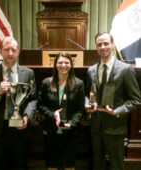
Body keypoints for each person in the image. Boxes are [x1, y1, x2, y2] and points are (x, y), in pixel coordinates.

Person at [85, 32, 141, 170]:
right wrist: (87, 103)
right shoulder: (91, 70)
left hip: (115, 127)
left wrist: (117, 111)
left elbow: (136, 100)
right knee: (97, 165)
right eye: (99, 44)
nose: (103, 47)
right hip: (96, 127)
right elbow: (88, 94)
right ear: (96, 48)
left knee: (117, 165)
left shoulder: (125, 69)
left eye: (106, 43)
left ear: (112, 45)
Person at [0, 36, 37, 169]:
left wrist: (27, 116)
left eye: (13, 50)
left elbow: (33, 99)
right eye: (6, 49)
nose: (10, 53)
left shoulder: (28, 73)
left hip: (20, 128)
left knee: (19, 164)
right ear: (0, 51)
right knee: (0, 165)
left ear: (18, 52)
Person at [38, 52, 85, 170]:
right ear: (55, 64)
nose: (63, 65)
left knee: (69, 166)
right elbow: (40, 105)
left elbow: (81, 109)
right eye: (60, 62)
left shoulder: (79, 84)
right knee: (52, 166)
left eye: (66, 62)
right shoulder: (46, 83)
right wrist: (52, 114)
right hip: (51, 132)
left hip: (71, 133)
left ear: (71, 64)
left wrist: (72, 123)